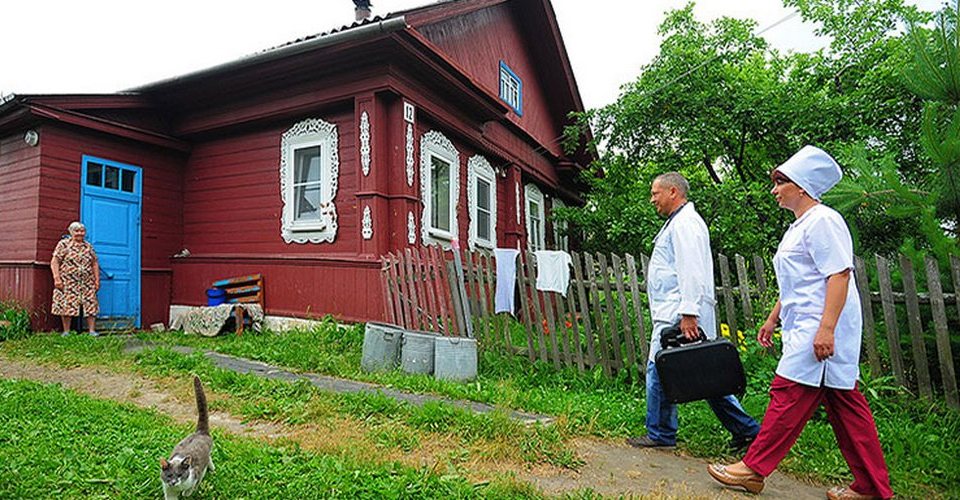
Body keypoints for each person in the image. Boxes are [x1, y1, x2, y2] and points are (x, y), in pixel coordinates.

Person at [707, 146, 893, 500]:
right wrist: (773, 317)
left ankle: (753, 469)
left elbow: (838, 275)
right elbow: (800, 282)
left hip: (820, 326)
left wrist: (827, 329)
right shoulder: (800, 226)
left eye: (781, 182)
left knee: (788, 393)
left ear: (803, 186)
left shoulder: (824, 220)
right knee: (846, 408)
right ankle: (871, 487)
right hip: (806, 323)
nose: (774, 189)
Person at [627, 172, 760, 450]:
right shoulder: (680, 222)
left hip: (679, 312)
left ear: (673, 192)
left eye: (655, 193)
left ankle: (661, 434)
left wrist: (688, 313)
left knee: (659, 367)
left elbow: (691, 269)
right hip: (677, 309)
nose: (652, 200)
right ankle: (747, 430)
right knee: (705, 374)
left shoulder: (686, 224)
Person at [50, 221, 100, 336]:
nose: (80, 233)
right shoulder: (64, 244)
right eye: (77, 231)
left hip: (87, 282)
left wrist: (97, 280)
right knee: (67, 304)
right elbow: (55, 261)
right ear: (71, 232)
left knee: (91, 304)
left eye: (82, 231)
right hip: (68, 281)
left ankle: (92, 331)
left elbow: (94, 263)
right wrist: (57, 278)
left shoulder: (88, 246)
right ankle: (66, 331)